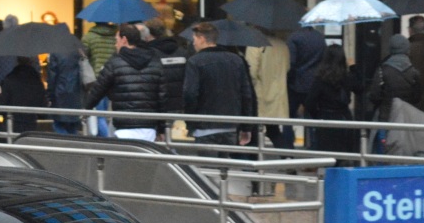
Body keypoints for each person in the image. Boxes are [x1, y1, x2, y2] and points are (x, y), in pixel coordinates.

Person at [83, 22, 165, 142]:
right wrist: (161, 128)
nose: (115, 44)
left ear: (124, 40)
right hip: (149, 127)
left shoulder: (115, 63)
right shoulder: (155, 62)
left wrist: (86, 108)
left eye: (117, 40)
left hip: (123, 125)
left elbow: (98, 90)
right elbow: (162, 98)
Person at [183, 21, 256, 151]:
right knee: (225, 167)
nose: (193, 43)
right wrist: (246, 127)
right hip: (230, 123)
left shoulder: (195, 61)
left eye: (194, 39)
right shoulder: (236, 60)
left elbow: (190, 93)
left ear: (202, 39)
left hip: (204, 124)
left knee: (207, 168)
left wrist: (190, 121)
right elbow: (246, 94)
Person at [367, 33, 422, 154]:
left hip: (385, 119)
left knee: (382, 157)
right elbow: (417, 98)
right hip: (407, 121)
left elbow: (374, 96)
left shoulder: (382, 70)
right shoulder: (414, 73)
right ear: (407, 49)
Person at [304, 44, 362, 154]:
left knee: (328, 156)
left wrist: (318, 115)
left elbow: (309, 102)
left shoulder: (320, 79)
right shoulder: (347, 77)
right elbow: (360, 88)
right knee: (345, 155)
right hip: (345, 117)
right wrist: (353, 67)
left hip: (326, 118)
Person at [246, 29, 293, 148]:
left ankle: (253, 162)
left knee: (253, 131)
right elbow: (287, 68)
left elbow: (251, 72)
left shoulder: (255, 45)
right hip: (278, 94)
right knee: (273, 130)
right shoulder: (283, 45)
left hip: (260, 93)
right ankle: (287, 157)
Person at [286, 24, 327, 146]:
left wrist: (289, 80)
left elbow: (291, 63)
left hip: (296, 85)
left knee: (288, 119)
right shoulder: (320, 38)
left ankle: (287, 148)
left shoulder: (294, 38)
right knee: (314, 119)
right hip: (314, 84)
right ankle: (314, 147)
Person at [0, 57, 47, 134]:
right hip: (31, 125)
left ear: (17, 61)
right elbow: (43, 107)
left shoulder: (9, 79)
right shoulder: (36, 81)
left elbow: (1, 108)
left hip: (12, 125)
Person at [45, 47, 85, 134]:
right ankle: (73, 146)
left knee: (58, 125)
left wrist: (49, 96)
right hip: (76, 94)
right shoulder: (77, 51)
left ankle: (65, 145)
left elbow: (52, 78)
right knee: (72, 127)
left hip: (60, 95)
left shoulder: (55, 52)